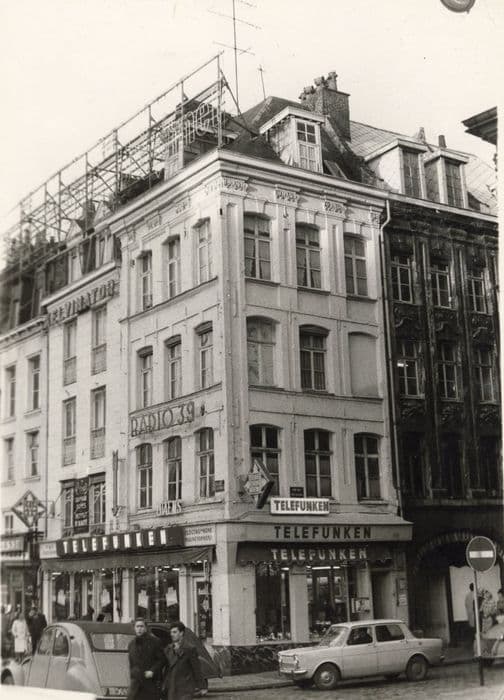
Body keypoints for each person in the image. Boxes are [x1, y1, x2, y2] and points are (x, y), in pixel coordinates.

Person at [162, 621, 206, 700]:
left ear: (181, 633)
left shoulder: (190, 648)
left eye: (174, 632)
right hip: (171, 686)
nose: (172, 634)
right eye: (171, 632)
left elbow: (196, 668)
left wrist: (202, 686)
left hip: (185, 688)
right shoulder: (168, 649)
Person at [127, 618, 165, 700]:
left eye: (141, 626)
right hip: (135, 685)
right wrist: (133, 675)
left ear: (145, 628)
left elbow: (162, 660)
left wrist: (152, 671)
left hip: (150, 684)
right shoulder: (131, 644)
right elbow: (131, 663)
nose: (139, 629)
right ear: (134, 628)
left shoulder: (155, 642)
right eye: (137, 626)